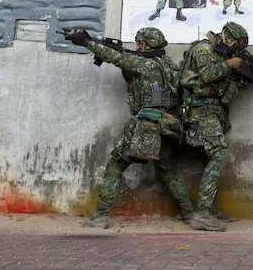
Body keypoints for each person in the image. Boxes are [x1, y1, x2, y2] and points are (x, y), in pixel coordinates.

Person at [66, 27, 194, 229]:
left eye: (139, 43)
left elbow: (114, 57)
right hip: (166, 126)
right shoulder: (168, 65)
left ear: (144, 44)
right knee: (166, 170)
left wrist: (87, 42)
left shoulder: (143, 64)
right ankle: (188, 212)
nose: (137, 46)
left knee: (115, 165)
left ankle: (100, 216)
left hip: (146, 126)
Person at [179, 21, 253, 231]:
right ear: (225, 34)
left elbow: (223, 79)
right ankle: (202, 213)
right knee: (220, 154)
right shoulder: (204, 48)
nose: (234, 47)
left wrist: (251, 73)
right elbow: (207, 75)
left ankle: (209, 209)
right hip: (201, 109)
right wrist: (231, 64)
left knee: (214, 157)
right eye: (234, 43)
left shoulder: (220, 53)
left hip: (213, 110)